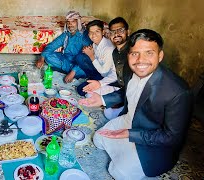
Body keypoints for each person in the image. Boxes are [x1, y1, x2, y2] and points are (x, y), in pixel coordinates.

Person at [79, 29, 192, 179]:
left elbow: (171, 137)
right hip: (129, 121)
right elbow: (128, 91)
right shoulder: (130, 70)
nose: (140, 60)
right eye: (134, 53)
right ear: (129, 55)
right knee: (98, 139)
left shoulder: (178, 91)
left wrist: (131, 134)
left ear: (160, 56)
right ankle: (125, 152)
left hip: (153, 140)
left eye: (149, 53)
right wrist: (102, 99)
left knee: (118, 172)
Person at [35, 11, 92, 83]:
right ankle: (69, 71)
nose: (70, 24)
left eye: (73, 22)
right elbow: (52, 46)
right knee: (48, 56)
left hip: (79, 63)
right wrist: (41, 58)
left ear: (78, 22)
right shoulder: (66, 34)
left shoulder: (85, 36)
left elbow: (86, 57)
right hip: (66, 60)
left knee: (85, 70)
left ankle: (71, 72)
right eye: (68, 22)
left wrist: (73, 71)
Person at [75, 20, 117, 96]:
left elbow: (104, 72)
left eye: (97, 31)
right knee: (80, 57)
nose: (93, 35)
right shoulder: (95, 43)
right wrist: (89, 51)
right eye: (91, 32)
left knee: (81, 90)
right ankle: (91, 78)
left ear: (103, 32)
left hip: (107, 77)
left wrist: (91, 56)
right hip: (98, 71)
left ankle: (98, 84)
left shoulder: (108, 49)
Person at [103, 17, 131, 120]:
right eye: (113, 32)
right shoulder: (115, 52)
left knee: (108, 113)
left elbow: (133, 87)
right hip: (120, 88)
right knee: (89, 94)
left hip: (131, 96)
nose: (116, 34)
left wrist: (112, 100)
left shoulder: (132, 52)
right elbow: (117, 77)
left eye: (120, 30)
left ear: (128, 32)